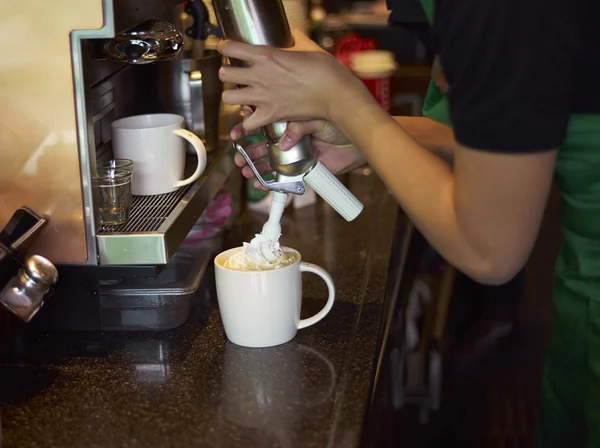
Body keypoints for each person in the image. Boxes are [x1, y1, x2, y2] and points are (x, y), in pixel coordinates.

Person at [216, 0, 600, 446]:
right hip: (580, 283)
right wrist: (367, 134)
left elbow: (490, 250)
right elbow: (513, 141)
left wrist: (343, 100)